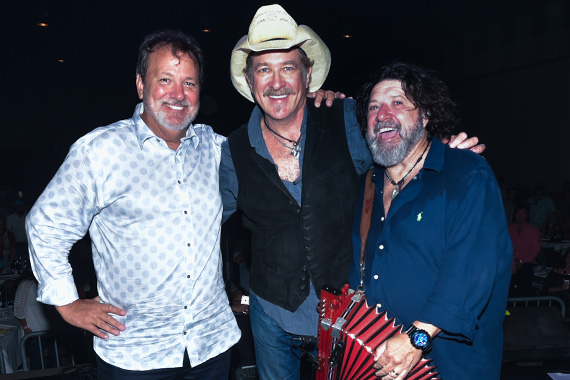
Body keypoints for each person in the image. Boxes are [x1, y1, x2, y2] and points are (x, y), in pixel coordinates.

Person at [220, 4, 484, 379]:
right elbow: (197, 222)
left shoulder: (344, 117)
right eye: (264, 69)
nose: (276, 82)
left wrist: (445, 152)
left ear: (307, 74)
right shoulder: (231, 151)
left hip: (350, 316)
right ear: (250, 80)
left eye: (288, 68)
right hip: (272, 317)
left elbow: (397, 148)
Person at [26, 29, 240, 379]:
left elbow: (275, 147)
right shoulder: (101, 151)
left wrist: (320, 105)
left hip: (210, 346)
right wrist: (67, 304)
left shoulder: (217, 150)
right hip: (136, 354)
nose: (178, 94)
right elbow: (45, 225)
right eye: (165, 79)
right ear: (141, 85)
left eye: (189, 83)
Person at [349, 62, 511, 380]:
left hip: (450, 368)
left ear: (424, 116)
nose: (382, 115)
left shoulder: (466, 173)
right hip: (377, 365)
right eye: (373, 107)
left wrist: (415, 341)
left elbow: (468, 274)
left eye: (398, 103)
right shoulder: (367, 185)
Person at [14, 266, 62, 370]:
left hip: (49, 330)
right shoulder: (26, 284)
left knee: (56, 362)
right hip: (33, 331)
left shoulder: (45, 282)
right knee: (37, 364)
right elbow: (18, 309)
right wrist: (26, 328)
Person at [508, 204, 541, 297]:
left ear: (528, 215)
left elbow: (536, 249)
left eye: (523, 213)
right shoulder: (508, 228)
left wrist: (521, 261)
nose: (520, 215)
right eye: (518, 213)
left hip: (526, 264)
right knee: (506, 290)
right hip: (509, 264)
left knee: (524, 291)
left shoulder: (533, 230)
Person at [543, 249, 570, 317]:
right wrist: (560, 288)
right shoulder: (556, 271)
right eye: (568, 257)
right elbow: (546, 289)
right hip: (556, 306)